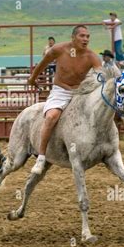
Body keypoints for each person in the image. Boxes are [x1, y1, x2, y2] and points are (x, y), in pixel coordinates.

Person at [27, 25, 102, 175]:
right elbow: (43, 63)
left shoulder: (92, 56)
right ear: (73, 37)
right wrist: (33, 78)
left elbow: (101, 74)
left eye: (88, 36)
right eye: (82, 36)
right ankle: (41, 157)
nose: (86, 39)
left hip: (81, 92)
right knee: (51, 116)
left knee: (97, 113)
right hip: (60, 91)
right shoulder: (58, 49)